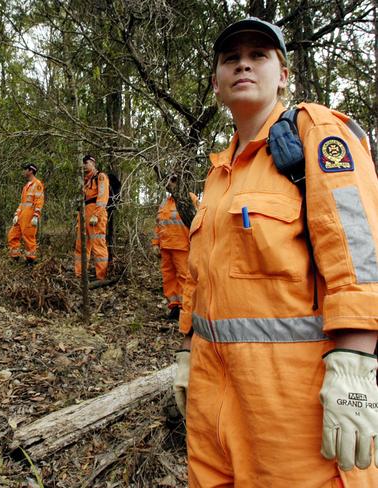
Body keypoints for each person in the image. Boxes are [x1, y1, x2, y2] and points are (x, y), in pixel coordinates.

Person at [173, 18, 378, 486]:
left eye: (259, 55)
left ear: (282, 74)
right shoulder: (219, 173)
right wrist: (187, 353)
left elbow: (359, 252)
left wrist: (355, 365)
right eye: (231, 58)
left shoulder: (315, 135)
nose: (243, 63)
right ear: (216, 85)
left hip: (290, 408)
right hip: (213, 405)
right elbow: (200, 278)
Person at [151, 175, 198, 320]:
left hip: (182, 246)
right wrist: (155, 244)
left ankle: (187, 308)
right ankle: (174, 307)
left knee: (185, 277)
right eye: (168, 180)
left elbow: (197, 221)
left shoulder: (191, 199)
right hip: (166, 247)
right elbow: (159, 224)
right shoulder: (164, 202)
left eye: (173, 180)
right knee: (168, 278)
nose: (170, 183)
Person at [75, 155, 109, 280]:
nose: (84, 165)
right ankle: (79, 274)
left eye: (86, 162)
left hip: (96, 213)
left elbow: (102, 197)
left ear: (93, 163)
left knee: (98, 245)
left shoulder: (100, 177)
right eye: (82, 163)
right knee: (81, 245)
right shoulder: (84, 181)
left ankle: (101, 276)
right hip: (83, 214)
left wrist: (96, 214)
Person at [7, 163, 44, 264]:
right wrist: (16, 214)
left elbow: (39, 201)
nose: (23, 172)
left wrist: (36, 216)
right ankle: (15, 258)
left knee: (28, 238)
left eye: (25, 169)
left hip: (30, 215)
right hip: (21, 215)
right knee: (12, 235)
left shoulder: (37, 184)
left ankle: (30, 261)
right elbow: (22, 203)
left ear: (30, 171)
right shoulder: (26, 186)